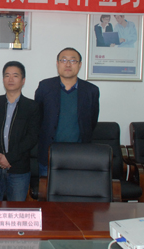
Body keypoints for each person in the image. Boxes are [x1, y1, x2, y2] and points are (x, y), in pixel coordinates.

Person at [0, 61, 40, 201]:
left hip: (19, 168)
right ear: (3, 79)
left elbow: (32, 137)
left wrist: (9, 157)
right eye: (7, 75)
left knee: (16, 210)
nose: (10, 79)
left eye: (15, 75)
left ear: (23, 80)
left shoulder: (31, 106)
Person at [34, 48, 99, 176]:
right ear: (57, 63)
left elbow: (92, 120)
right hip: (49, 153)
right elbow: (37, 117)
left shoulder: (91, 90)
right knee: (48, 187)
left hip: (80, 154)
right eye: (63, 60)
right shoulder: (45, 86)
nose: (68, 64)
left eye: (73, 61)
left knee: (76, 187)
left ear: (80, 65)